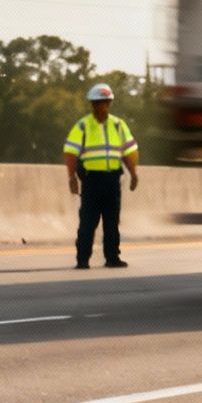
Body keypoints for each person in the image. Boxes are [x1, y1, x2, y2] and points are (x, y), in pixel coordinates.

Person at [64, 83, 139, 270]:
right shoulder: (83, 126)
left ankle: (112, 257)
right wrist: (72, 177)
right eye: (98, 103)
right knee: (88, 222)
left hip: (112, 179)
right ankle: (82, 259)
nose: (102, 106)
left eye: (105, 102)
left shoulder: (118, 125)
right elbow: (70, 152)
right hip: (91, 180)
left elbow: (128, 152)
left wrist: (134, 173)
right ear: (92, 105)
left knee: (112, 222)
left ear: (110, 103)